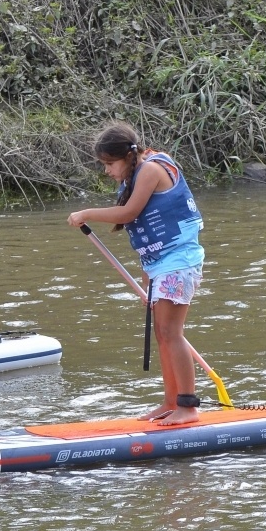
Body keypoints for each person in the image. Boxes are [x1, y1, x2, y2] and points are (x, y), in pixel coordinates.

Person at [67, 121, 206, 424]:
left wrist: (88, 213)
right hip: (162, 266)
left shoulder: (151, 171)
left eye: (109, 164)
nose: (107, 171)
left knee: (172, 333)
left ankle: (188, 406)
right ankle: (171, 402)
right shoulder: (134, 176)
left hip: (179, 261)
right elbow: (148, 236)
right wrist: (148, 279)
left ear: (128, 156)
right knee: (162, 334)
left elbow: (129, 213)